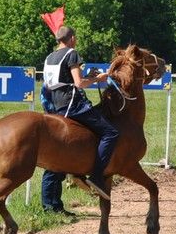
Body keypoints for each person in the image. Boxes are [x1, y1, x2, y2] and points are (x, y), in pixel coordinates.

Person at [43, 25, 119, 199]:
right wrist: (96, 78)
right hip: (72, 103)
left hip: (56, 102)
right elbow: (78, 83)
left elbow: (54, 82)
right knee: (110, 133)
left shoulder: (49, 57)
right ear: (71, 39)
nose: (75, 41)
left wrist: (88, 75)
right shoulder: (72, 53)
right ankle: (97, 176)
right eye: (75, 38)